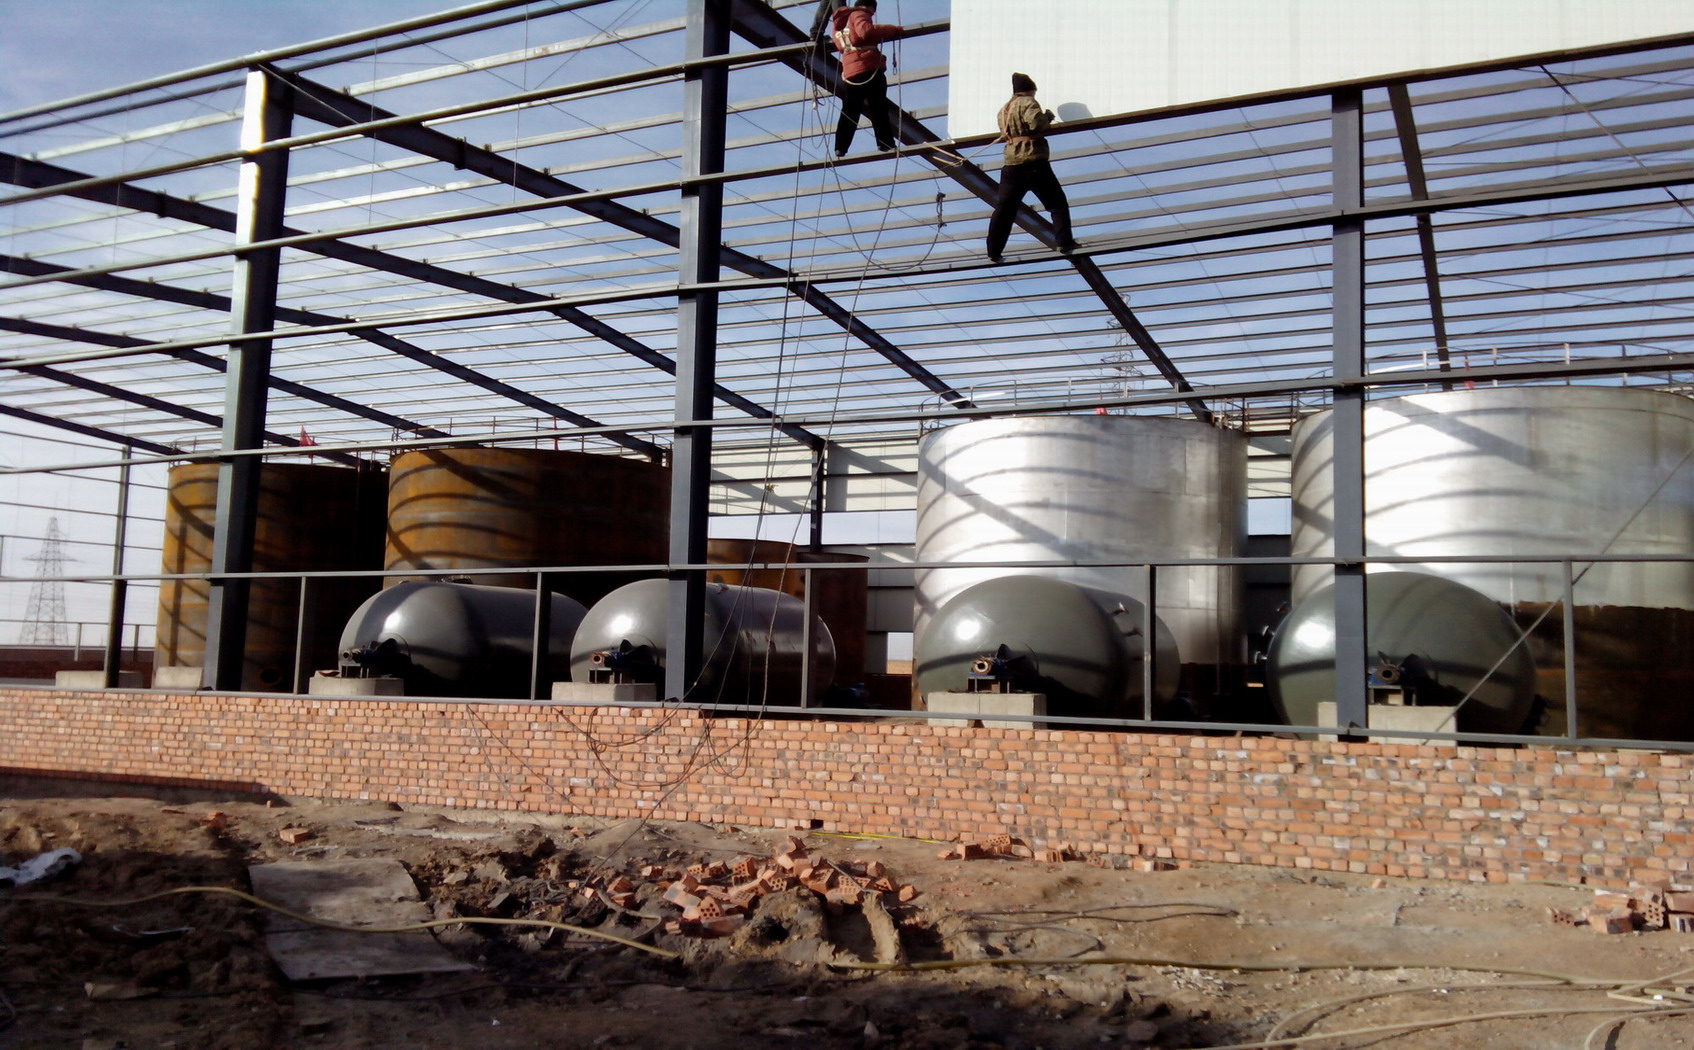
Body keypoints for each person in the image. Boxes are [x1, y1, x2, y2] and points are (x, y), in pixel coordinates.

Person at [985, 72, 1076, 263]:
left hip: (1011, 166)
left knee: (1004, 210)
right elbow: (1035, 124)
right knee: (1057, 204)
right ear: (1030, 90)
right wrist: (1047, 117)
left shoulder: (1004, 109)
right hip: (1034, 163)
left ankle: (993, 250)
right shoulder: (1028, 102)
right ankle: (1065, 242)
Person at [828, 0, 904, 157]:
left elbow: (840, 44)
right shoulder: (859, 14)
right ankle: (885, 143)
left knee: (850, 109)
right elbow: (865, 31)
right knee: (878, 106)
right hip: (867, 66)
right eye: (873, 10)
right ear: (869, 7)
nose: (872, 14)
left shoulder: (840, 23)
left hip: (851, 70)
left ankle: (840, 146)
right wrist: (893, 30)